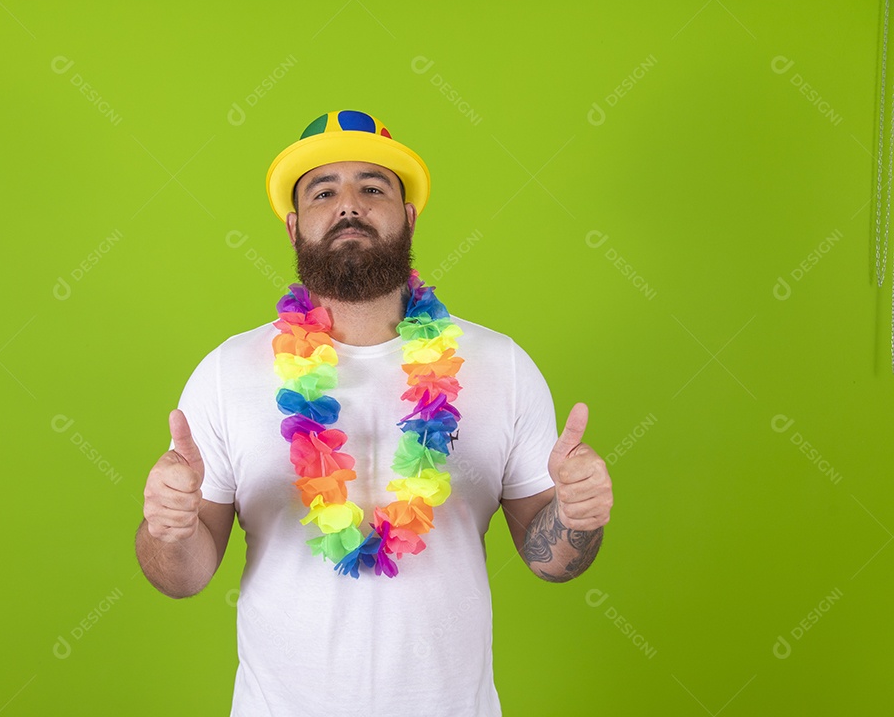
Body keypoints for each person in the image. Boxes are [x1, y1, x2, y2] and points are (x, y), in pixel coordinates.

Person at [135, 109, 614, 716]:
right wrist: (168, 530)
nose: (348, 205)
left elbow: (552, 562)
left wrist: (577, 518)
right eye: (323, 191)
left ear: (409, 215)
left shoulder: (500, 365)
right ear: (293, 226)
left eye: (373, 187)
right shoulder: (227, 372)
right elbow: (183, 577)